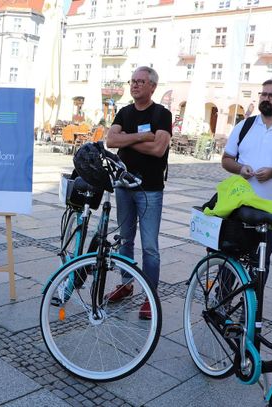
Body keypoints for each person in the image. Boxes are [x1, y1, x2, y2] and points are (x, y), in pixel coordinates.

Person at [105, 66, 172, 319]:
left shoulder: (161, 113)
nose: (134, 85)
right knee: (124, 239)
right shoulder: (123, 112)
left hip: (150, 189)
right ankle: (126, 283)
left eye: (140, 81)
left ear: (153, 86)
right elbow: (110, 142)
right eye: (132, 81)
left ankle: (150, 296)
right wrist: (142, 137)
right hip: (123, 185)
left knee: (150, 246)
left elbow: (158, 150)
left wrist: (127, 140)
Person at [222, 77, 272, 283]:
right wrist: (241, 168)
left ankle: (250, 308)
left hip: (270, 208)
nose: (266, 98)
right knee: (229, 257)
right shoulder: (245, 125)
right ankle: (221, 303)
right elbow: (226, 160)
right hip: (239, 205)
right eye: (264, 94)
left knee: (260, 263)